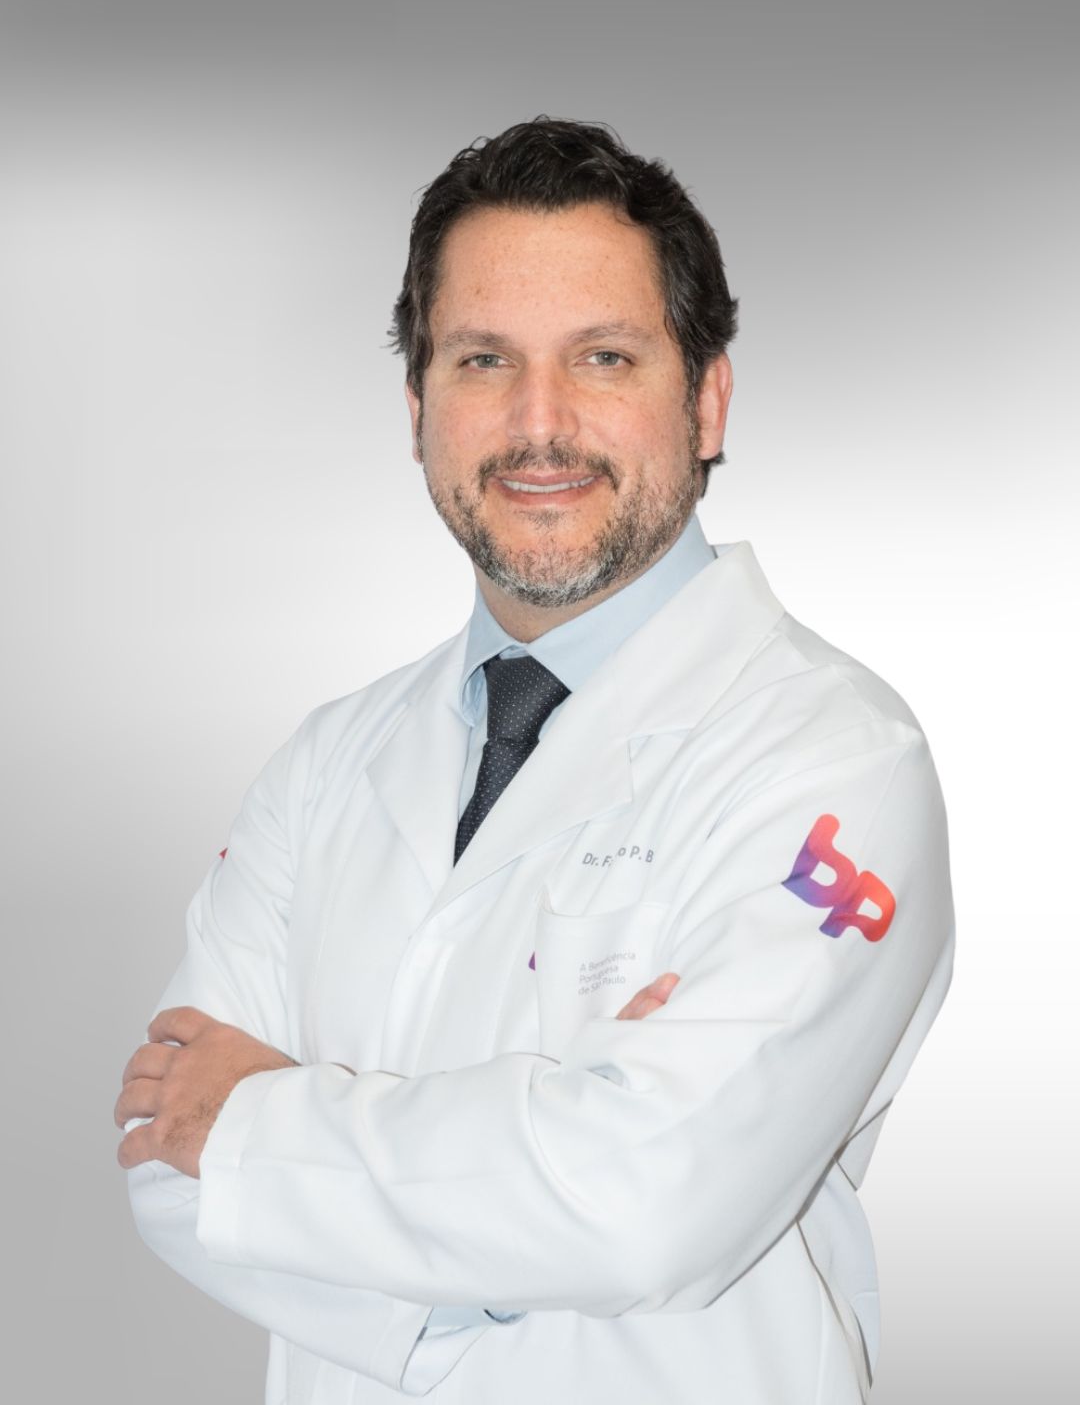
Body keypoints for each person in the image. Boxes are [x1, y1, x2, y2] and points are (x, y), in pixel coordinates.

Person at [115, 117, 954, 1404]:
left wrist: (264, 1140)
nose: (539, 423)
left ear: (707, 400)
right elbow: (166, 1162)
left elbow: (651, 1204)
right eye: (483, 359)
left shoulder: (835, 761)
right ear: (418, 410)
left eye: (604, 358)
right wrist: (542, 1201)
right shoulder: (325, 765)